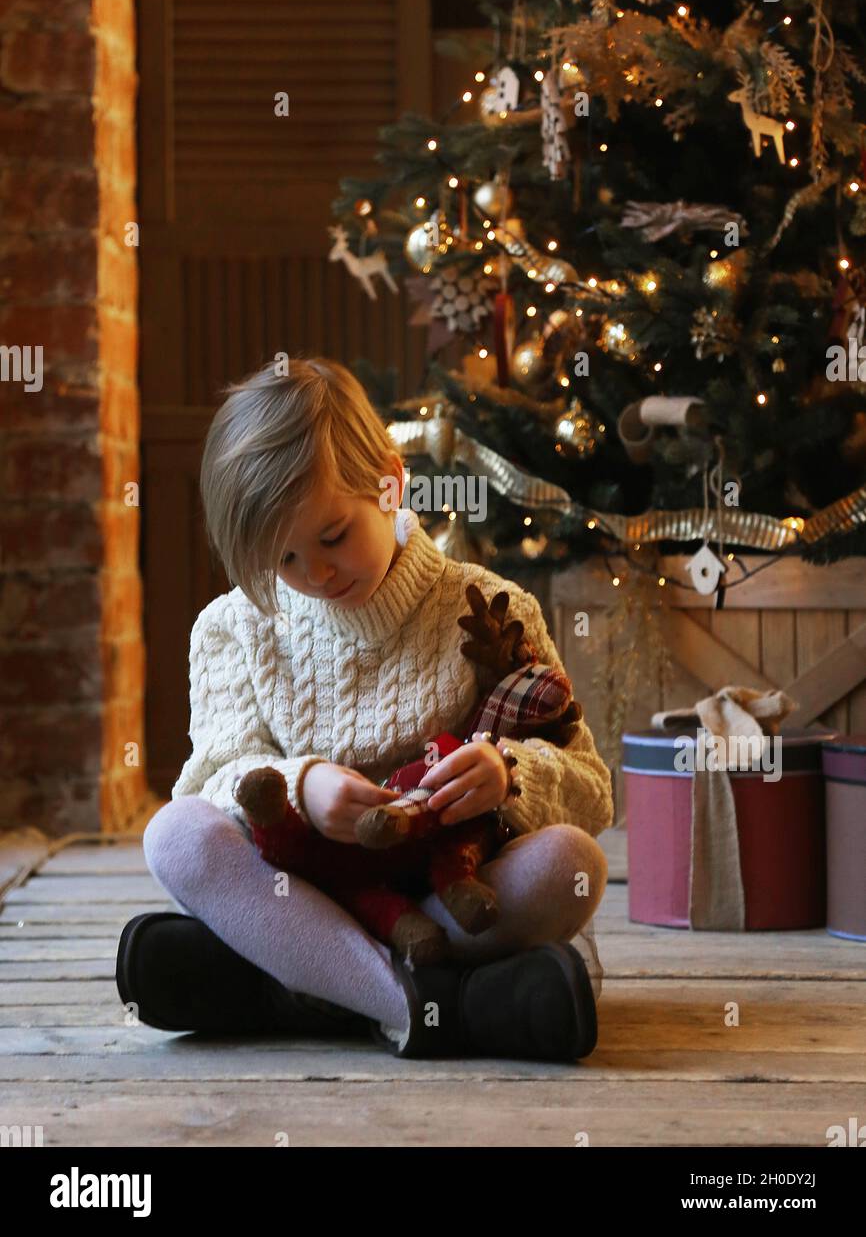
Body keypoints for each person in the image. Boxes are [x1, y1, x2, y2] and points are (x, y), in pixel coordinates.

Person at [117, 355, 613, 1061]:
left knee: (572, 861)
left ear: (390, 482)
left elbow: (592, 790)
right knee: (174, 835)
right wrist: (299, 785)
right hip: (303, 889)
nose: (315, 576)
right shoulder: (231, 628)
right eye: (283, 560)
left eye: (332, 537)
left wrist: (508, 775)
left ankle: (303, 982)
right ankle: (434, 1005)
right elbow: (209, 781)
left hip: (448, 894)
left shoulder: (490, 611)